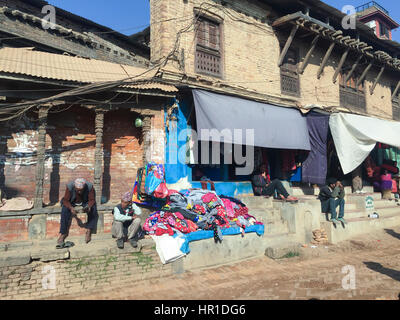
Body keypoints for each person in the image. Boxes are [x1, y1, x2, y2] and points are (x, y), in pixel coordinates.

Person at [56, 178, 98, 249]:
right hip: (72, 201)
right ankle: (63, 233)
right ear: (74, 187)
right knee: (64, 210)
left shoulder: (89, 187)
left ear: (84, 187)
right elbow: (66, 200)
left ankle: (89, 230)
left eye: (80, 190)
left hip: (85, 201)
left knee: (93, 209)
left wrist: (89, 206)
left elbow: (92, 200)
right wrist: (71, 208)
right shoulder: (69, 186)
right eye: (77, 190)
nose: (79, 192)